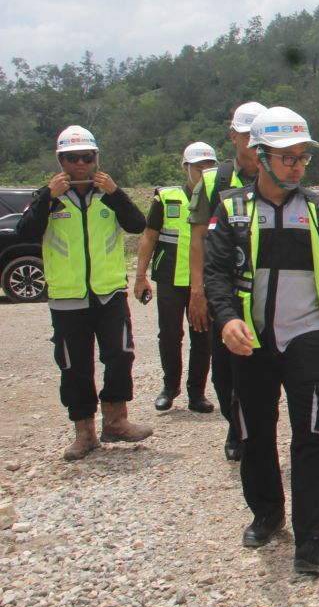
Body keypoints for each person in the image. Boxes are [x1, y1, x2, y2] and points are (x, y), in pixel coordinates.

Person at [204, 106, 319, 573]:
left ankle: (312, 542)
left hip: (308, 339)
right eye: (286, 156)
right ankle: (268, 513)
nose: (295, 165)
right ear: (260, 156)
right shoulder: (232, 209)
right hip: (250, 342)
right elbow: (215, 273)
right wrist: (227, 316)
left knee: (314, 434)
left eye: (302, 157)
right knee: (255, 432)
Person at [17, 125, 151, 461]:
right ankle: (84, 432)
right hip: (68, 297)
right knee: (74, 366)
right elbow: (26, 233)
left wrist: (117, 192)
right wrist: (47, 197)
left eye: (87, 157)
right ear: (60, 160)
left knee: (120, 354)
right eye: (72, 158)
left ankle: (116, 421)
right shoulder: (47, 197)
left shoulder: (108, 194)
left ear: (96, 159)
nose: (80, 164)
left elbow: (138, 224)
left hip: (108, 294)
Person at [187, 100, 266, 461]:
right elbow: (198, 237)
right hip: (224, 290)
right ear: (233, 136)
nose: (253, 144)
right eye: (247, 136)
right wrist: (197, 291)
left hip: (264, 289)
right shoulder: (213, 181)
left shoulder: (279, 173)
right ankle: (235, 426)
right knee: (224, 368)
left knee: (263, 365)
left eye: (259, 137)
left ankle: (255, 428)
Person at [134, 141, 219, 413]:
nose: (203, 174)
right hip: (171, 278)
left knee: (202, 338)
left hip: (204, 282)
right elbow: (149, 236)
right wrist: (140, 276)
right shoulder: (167, 197)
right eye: (198, 168)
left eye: (209, 168)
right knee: (169, 335)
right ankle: (170, 387)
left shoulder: (220, 199)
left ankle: (197, 393)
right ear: (186, 168)